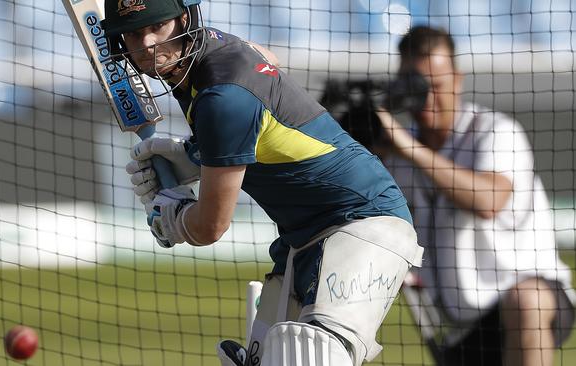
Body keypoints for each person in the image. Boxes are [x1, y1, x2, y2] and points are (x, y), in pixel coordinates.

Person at [100, 1, 424, 365]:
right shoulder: (205, 52)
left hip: (365, 224)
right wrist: (197, 156)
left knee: (310, 356)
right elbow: (262, 65)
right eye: (133, 33)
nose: (147, 45)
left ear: (184, 18)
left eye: (157, 26)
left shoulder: (223, 96)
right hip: (302, 239)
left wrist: (173, 217)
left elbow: (210, 227)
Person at [374, 25, 575, 366]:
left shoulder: (496, 132)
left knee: (526, 301)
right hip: (460, 324)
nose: (427, 99)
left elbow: (488, 201)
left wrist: (408, 148)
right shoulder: (392, 151)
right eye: (415, 89)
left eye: (436, 86)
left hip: (533, 302)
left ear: (458, 79)